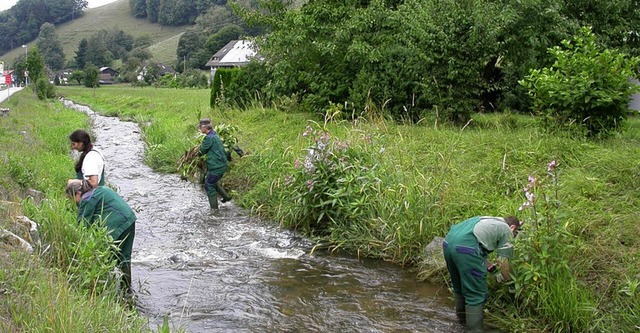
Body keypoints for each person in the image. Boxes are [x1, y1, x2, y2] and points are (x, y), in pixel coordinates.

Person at [442, 216, 521, 332]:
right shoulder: (506, 229)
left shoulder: (488, 221)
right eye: (515, 234)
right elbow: (503, 262)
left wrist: (494, 270)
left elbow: (478, 251)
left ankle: (461, 324)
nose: (513, 237)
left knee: (459, 287)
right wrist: (511, 283)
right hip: (466, 248)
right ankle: (475, 330)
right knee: (475, 295)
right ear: (513, 228)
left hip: (447, 243)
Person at [66, 179, 136, 294]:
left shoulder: (87, 199)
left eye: (71, 199)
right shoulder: (100, 189)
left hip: (117, 223)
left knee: (103, 256)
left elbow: (82, 227)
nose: (74, 203)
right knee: (124, 258)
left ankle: (101, 289)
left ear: (78, 193)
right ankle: (127, 291)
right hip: (130, 219)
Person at [199, 122, 232, 209]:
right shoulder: (215, 135)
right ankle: (226, 197)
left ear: (205, 127)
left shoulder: (208, 138)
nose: (199, 129)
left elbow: (202, 150)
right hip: (221, 165)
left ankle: (214, 210)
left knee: (209, 184)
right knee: (212, 181)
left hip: (216, 166)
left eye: (200, 127)